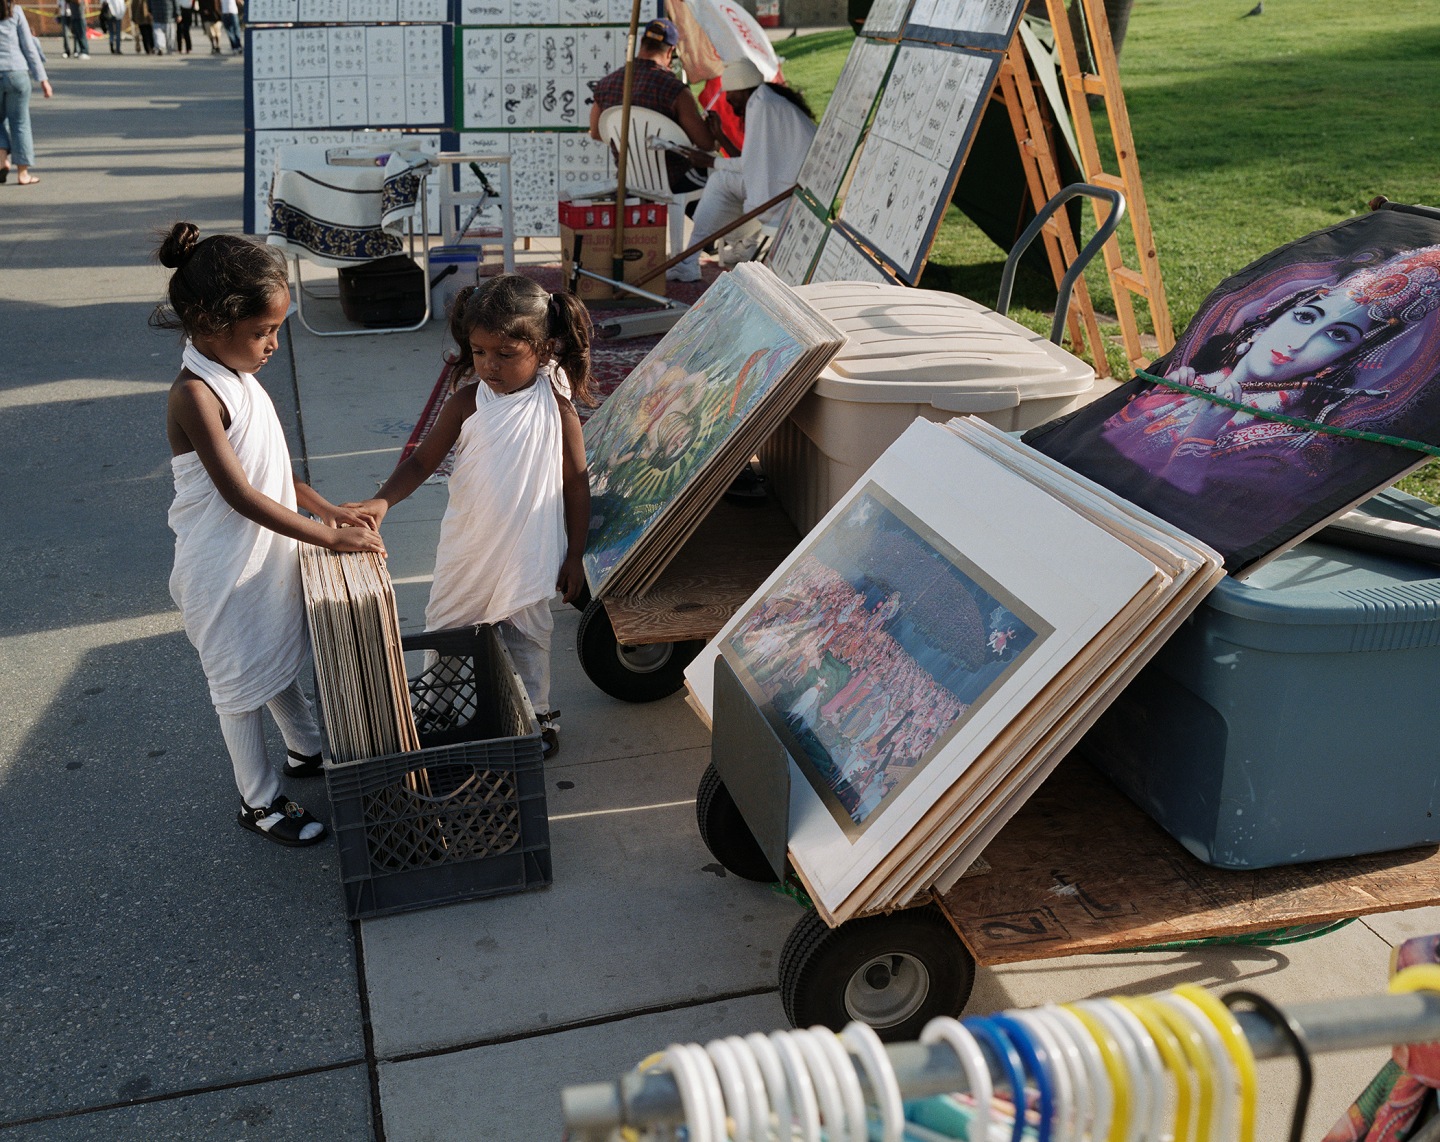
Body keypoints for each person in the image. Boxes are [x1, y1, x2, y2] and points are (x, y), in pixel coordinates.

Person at [156, 221, 386, 846]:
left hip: (260, 557)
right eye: (262, 332)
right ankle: (257, 802)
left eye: (275, 330)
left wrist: (325, 508)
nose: (273, 344)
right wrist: (326, 537)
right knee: (238, 684)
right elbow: (239, 493)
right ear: (209, 321)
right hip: (221, 569)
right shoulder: (196, 395)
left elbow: (275, 473)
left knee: (274, 655)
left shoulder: (238, 376)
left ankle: (306, 750)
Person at [344, 276, 593, 757]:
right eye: (479, 353)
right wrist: (383, 501)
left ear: (542, 352)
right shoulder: (466, 403)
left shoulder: (557, 410)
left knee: (528, 638)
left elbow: (576, 483)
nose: (489, 366)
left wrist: (575, 553)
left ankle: (537, 716)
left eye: (505, 353)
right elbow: (421, 462)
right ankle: (436, 704)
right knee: (446, 627)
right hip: (469, 545)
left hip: (529, 552)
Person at [1102, 243, 1440, 495]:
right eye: (1306, 317)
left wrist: (1202, 432)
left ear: (1342, 359)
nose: (1299, 340)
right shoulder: (1199, 377)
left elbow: (1186, 505)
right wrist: (1160, 396)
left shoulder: (1291, 441)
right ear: (1275, 316)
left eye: (1337, 336)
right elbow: (1103, 443)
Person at [668, 56, 816, 283]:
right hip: (789, 187)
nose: (729, 102)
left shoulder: (761, 105)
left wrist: (710, 161)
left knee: (719, 181)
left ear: (742, 89)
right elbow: (752, 162)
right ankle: (730, 247)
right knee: (723, 179)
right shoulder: (766, 99)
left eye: (731, 96)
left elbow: (749, 167)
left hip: (788, 195)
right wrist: (719, 138)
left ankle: (693, 260)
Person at [587, 18, 716, 202]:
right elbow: (706, 144)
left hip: (629, 182)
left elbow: (596, 132)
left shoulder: (607, 83)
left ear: (641, 44)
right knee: (719, 186)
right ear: (671, 51)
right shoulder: (675, 90)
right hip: (674, 182)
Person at [0, 0, 51, 185]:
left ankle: (1, 158)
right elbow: (29, 47)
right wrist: (43, 79)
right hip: (17, 73)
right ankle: (23, 174)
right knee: (20, 122)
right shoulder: (16, 12)